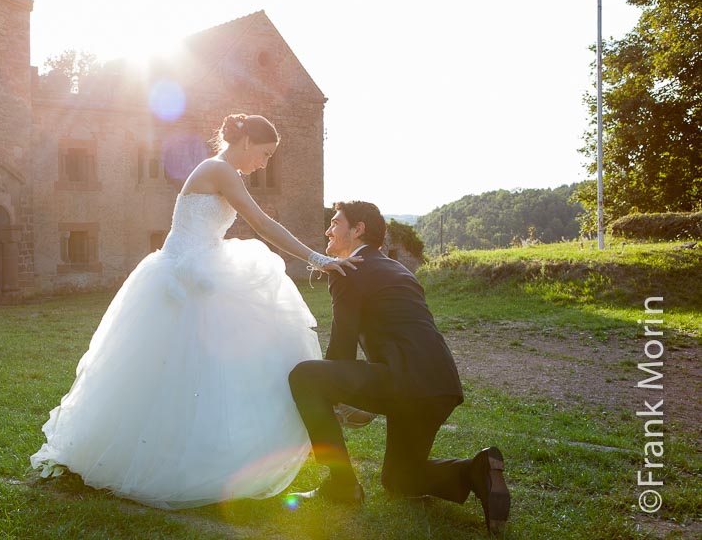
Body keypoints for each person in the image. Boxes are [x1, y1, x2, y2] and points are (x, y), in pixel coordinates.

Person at [30, 113, 358, 509]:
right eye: (266, 153)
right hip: (184, 277)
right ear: (248, 141)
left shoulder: (223, 171)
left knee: (204, 371)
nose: (265, 163)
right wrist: (313, 257)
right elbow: (260, 222)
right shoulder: (218, 169)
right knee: (177, 372)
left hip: (201, 268)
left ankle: (206, 455)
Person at [287, 201, 511, 535]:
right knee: (400, 478)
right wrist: (361, 392)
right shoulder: (398, 269)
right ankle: (476, 471)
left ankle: (341, 484)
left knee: (304, 377)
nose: (328, 230)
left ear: (358, 229)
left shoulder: (348, 268)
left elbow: (342, 351)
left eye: (335, 223)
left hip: (402, 381)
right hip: (441, 385)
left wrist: (335, 399)